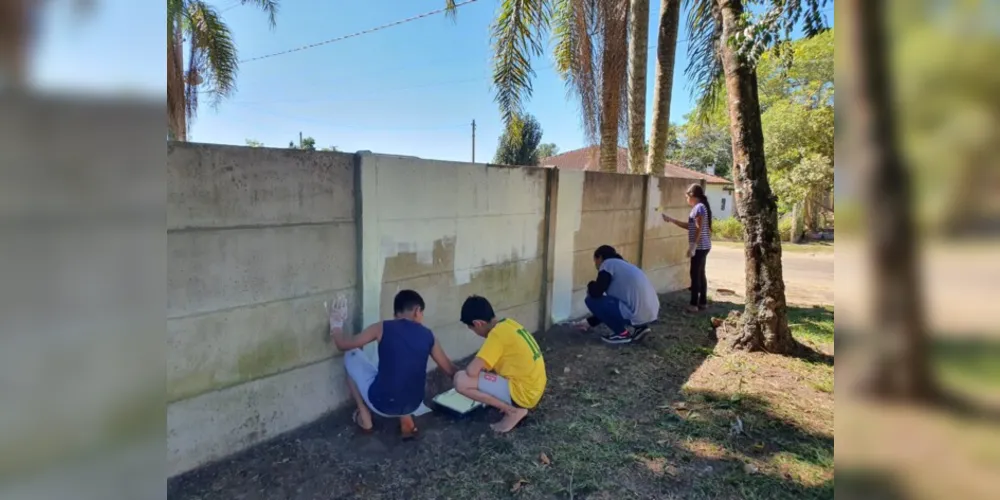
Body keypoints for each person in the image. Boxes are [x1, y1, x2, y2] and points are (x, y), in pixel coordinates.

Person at [328, 290, 458, 440]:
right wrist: (474, 380)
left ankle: (364, 415)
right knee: (402, 369)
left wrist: (336, 325)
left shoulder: (382, 327)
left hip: (382, 405)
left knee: (351, 355)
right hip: (414, 404)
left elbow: (343, 345)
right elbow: (450, 369)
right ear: (417, 311)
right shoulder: (429, 335)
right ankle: (406, 421)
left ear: (396, 314)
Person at [453, 295, 547, 433]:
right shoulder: (508, 324)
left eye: (472, 329)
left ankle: (512, 411)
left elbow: (471, 371)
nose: (476, 333)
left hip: (524, 393)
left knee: (460, 380)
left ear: (478, 323)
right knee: (484, 375)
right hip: (535, 387)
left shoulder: (496, 335)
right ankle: (511, 405)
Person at [573, 245, 659, 344]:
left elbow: (596, 293)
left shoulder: (607, 264)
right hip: (650, 312)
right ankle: (641, 328)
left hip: (637, 313)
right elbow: (608, 310)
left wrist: (590, 285)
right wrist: (588, 323)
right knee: (610, 302)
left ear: (600, 257)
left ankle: (621, 334)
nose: (596, 265)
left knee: (591, 300)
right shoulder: (625, 265)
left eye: (595, 261)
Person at [662, 183, 713, 312]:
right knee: (700, 273)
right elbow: (690, 226)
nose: (686, 200)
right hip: (704, 246)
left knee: (695, 274)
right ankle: (703, 302)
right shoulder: (700, 207)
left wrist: (693, 246)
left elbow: (698, 228)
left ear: (692, 195)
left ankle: (694, 304)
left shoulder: (699, 208)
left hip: (700, 246)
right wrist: (672, 220)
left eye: (687, 197)